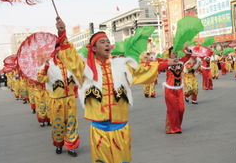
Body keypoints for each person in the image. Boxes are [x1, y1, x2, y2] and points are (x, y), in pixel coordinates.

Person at [49, 17, 164, 162]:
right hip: (99, 131)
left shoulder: (121, 65)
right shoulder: (86, 70)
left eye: (108, 42)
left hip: (121, 128)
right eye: (102, 42)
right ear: (94, 49)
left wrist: (164, 64)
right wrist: (62, 32)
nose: (107, 44)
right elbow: (72, 58)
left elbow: (141, 71)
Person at [38, 25, 80, 157]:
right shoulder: (48, 65)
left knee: (72, 122)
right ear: (55, 52)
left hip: (70, 100)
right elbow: (41, 79)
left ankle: (72, 146)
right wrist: (45, 67)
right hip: (56, 101)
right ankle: (59, 144)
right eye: (59, 51)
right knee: (58, 124)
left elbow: (77, 77)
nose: (61, 53)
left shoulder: (70, 64)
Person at [158, 46, 191, 133]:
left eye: (176, 52)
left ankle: (177, 125)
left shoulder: (181, 61)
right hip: (169, 89)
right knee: (173, 109)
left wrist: (186, 48)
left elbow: (188, 56)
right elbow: (158, 67)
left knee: (181, 109)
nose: (175, 54)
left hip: (179, 89)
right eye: (173, 53)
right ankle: (173, 128)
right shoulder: (167, 62)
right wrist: (168, 63)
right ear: (169, 54)